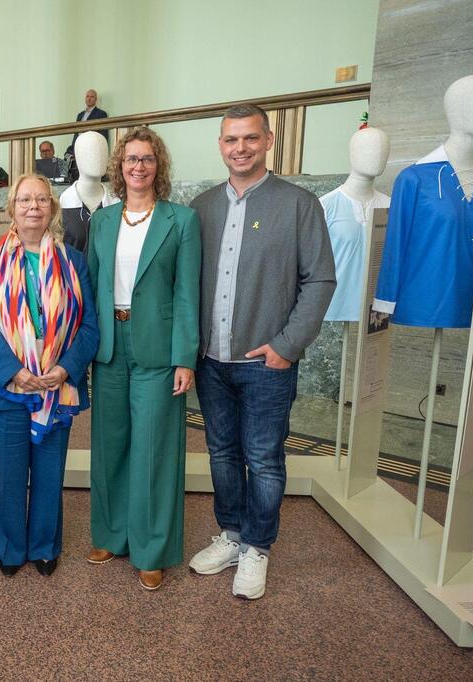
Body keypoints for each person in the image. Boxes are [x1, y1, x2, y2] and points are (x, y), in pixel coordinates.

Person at [188, 104, 335, 600]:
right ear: (221, 145)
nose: (240, 148)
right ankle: (232, 534)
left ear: (268, 140)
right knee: (222, 454)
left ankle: (257, 547)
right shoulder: (202, 207)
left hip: (267, 364)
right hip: (211, 362)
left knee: (265, 459)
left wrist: (287, 347)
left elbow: (320, 280)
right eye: (231, 139)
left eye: (250, 138)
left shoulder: (298, 205)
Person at [86, 127, 201, 590]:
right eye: (131, 159)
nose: (138, 166)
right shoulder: (102, 221)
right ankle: (111, 534)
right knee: (109, 443)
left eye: (147, 159)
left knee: (154, 447)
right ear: (120, 166)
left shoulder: (181, 221)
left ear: (159, 166)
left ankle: (151, 548)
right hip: (110, 345)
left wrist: (185, 357)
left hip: (157, 346)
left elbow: (187, 292)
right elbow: (91, 287)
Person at [0, 173, 99, 577]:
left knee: (49, 474)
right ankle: (10, 549)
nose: (33, 207)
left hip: (56, 386)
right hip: (9, 386)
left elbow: (89, 326)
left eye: (42, 199)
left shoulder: (73, 261)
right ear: (11, 208)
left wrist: (65, 369)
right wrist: (15, 371)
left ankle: (45, 546)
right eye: (25, 200)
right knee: (10, 475)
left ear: (53, 208)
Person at [68, 89, 109, 154]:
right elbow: (76, 133)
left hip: (92, 148)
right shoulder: (80, 115)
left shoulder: (101, 114)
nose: (89, 99)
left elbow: (103, 135)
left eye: (92, 97)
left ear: (96, 99)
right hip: (79, 147)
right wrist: (73, 148)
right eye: (87, 96)